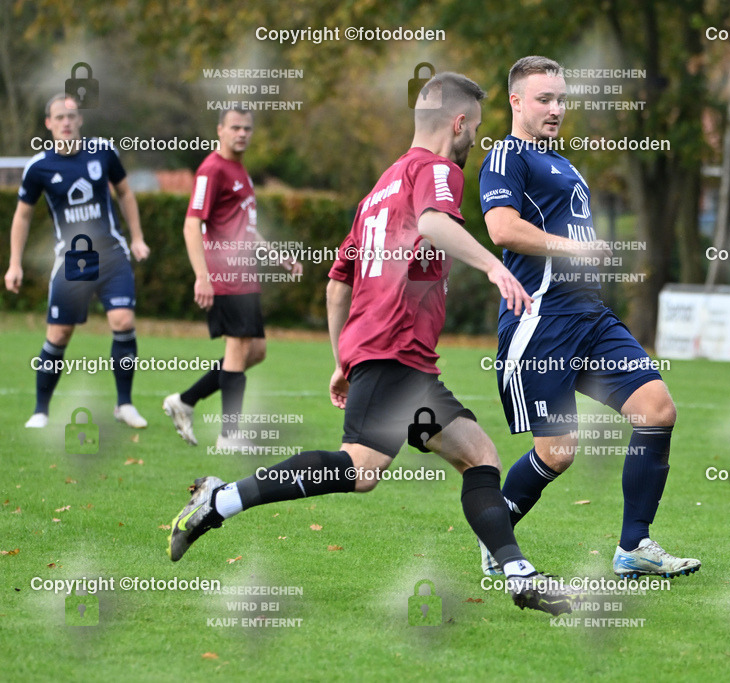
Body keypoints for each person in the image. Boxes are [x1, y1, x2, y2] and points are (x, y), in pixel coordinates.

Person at [167, 72, 576, 616]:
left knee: (478, 455)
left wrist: (343, 358)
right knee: (359, 469)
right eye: (475, 129)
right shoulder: (438, 171)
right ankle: (221, 500)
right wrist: (493, 267)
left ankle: (518, 575)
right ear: (458, 123)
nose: (475, 140)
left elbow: (337, 284)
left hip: (394, 355)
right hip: (395, 347)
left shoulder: (378, 191)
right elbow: (433, 222)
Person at [477, 56, 700, 579]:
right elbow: (502, 228)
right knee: (558, 453)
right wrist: (573, 247)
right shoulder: (507, 156)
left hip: (591, 317)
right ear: (516, 102)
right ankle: (495, 538)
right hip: (542, 320)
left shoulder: (563, 164)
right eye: (544, 99)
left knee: (657, 410)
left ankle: (634, 546)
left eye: (560, 98)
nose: (556, 108)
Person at [5, 94, 149, 429]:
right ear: (49, 123)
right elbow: (22, 216)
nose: (66, 122)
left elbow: (125, 193)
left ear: (80, 119)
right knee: (59, 334)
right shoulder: (39, 166)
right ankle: (40, 410)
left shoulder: (103, 152)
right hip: (73, 262)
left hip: (112, 255)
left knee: (123, 320)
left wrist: (138, 238)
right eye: (59, 117)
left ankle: (124, 404)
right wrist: (15, 263)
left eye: (71, 116)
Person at [162, 107, 302, 452]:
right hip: (225, 274)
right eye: (235, 127)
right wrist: (202, 276)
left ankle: (185, 400)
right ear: (220, 130)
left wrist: (276, 256)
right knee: (238, 348)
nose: (242, 133)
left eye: (247, 128)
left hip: (245, 274)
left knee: (255, 351)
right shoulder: (211, 170)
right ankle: (229, 435)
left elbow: (245, 227)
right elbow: (191, 224)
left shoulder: (240, 170)